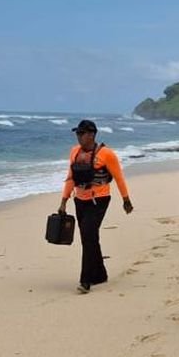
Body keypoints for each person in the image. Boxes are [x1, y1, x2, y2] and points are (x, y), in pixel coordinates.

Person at [58, 119, 133, 293]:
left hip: (99, 200)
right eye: (77, 133)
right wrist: (64, 201)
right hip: (80, 200)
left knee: (89, 236)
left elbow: (119, 178)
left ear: (91, 135)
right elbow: (71, 177)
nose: (78, 137)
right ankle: (100, 274)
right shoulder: (74, 152)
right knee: (88, 238)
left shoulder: (107, 154)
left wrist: (126, 200)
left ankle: (85, 280)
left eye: (81, 133)